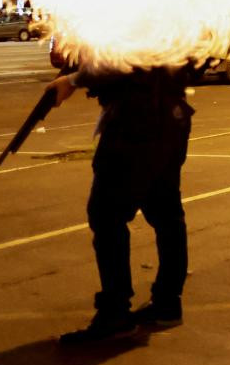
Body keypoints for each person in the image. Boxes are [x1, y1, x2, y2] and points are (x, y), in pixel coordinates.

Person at [46, 64, 195, 344]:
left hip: (137, 123)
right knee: (165, 211)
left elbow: (122, 56)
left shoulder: (138, 20)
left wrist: (74, 80)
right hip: (169, 115)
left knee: (106, 214)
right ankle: (167, 303)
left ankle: (115, 314)